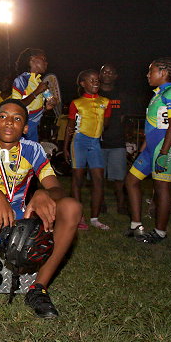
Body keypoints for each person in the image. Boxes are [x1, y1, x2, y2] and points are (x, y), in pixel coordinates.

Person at [0, 99, 80, 318]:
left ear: (25, 128)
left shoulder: (33, 150)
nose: (9, 122)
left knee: (71, 207)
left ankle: (38, 289)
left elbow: (57, 189)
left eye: (17, 118)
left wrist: (43, 193)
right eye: (3, 116)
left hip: (20, 224)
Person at [125, 58, 171, 243]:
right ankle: (136, 225)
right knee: (131, 181)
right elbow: (154, 124)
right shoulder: (158, 93)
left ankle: (160, 232)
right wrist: (143, 147)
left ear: (163, 72)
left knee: (161, 187)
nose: (147, 75)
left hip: (165, 146)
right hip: (152, 147)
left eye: (150, 71)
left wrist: (164, 152)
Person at [63, 70, 112, 230]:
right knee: (77, 180)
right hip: (79, 142)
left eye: (97, 80)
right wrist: (66, 147)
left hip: (95, 143)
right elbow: (70, 126)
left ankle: (95, 218)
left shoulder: (106, 102)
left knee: (98, 179)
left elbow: (105, 123)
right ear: (83, 84)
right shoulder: (77, 103)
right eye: (91, 80)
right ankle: (79, 217)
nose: (95, 82)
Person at [98, 64, 130, 215]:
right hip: (97, 143)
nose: (107, 74)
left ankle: (121, 204)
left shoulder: (121, 95)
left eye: (111, 72)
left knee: (119, 177)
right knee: (99, 177)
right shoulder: (95, 94)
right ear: (100, 75)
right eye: (104, 71)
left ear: (116, 76)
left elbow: (124, 117)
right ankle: (101, 203)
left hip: (117, 142)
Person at [11, 48, 57, 142]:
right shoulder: (22, 80)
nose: (46, 63)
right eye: (43, 59)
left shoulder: (39, 82)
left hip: (34, 128)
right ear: (32, 59)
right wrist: (37, 91)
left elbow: (33, 109)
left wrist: (46, 108)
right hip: (22, 126)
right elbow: (16, 105)